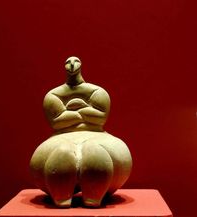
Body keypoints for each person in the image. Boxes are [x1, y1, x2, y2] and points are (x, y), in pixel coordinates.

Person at [30, 57, 132, 207]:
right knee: (64, 152)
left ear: (81, 65)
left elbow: (100, 117)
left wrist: (71, 113)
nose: (72, 65)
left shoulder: (97, 92)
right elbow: (57, 121)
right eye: (68, 62)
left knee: (94, 151)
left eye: (76, 61)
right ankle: (68, 195)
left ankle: (87, 195)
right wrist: (85, 111)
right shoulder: (53, 95)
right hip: (61, 138)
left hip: (95, 136)